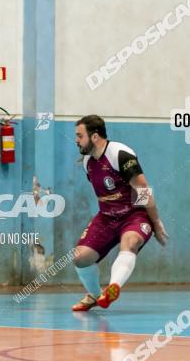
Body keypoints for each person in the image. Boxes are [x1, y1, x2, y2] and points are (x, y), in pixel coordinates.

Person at [71, 115, 167, 310]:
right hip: (106, 218)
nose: (76, 140)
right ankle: (96, 296)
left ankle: (113, 287)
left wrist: (155, 223)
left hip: (134, 216)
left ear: (95, 137)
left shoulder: (120, 155)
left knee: (130, 242)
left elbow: (143, 190)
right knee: (79, 257)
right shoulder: (87, 162)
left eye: (80, 136)